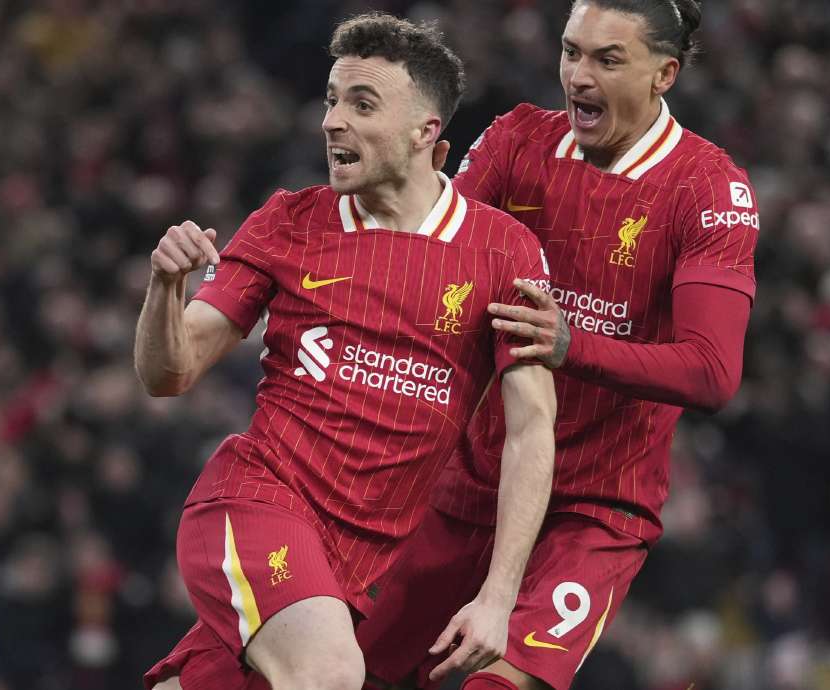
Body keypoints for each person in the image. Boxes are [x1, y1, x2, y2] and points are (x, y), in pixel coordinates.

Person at [133, 13, 557, 690]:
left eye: (362, 105)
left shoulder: (505, 250)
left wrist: (499, 597)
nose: (333, 122)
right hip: (256, 504)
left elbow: (532, 427)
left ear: (426, 132)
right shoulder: (289, 222)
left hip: (351, 574)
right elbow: (170, 371)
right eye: (332, 101)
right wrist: (164, 287)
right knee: (329, 674)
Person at [355, 1, 760, 689]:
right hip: (469, 482)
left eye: (608, 59)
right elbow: (434, 260)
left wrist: (573, 344)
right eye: (572, 52)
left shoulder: (708, 189)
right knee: (346, 670)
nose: (578, 74)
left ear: (665, 73)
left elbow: (713, 371)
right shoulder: (518, 141)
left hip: (595, 507)